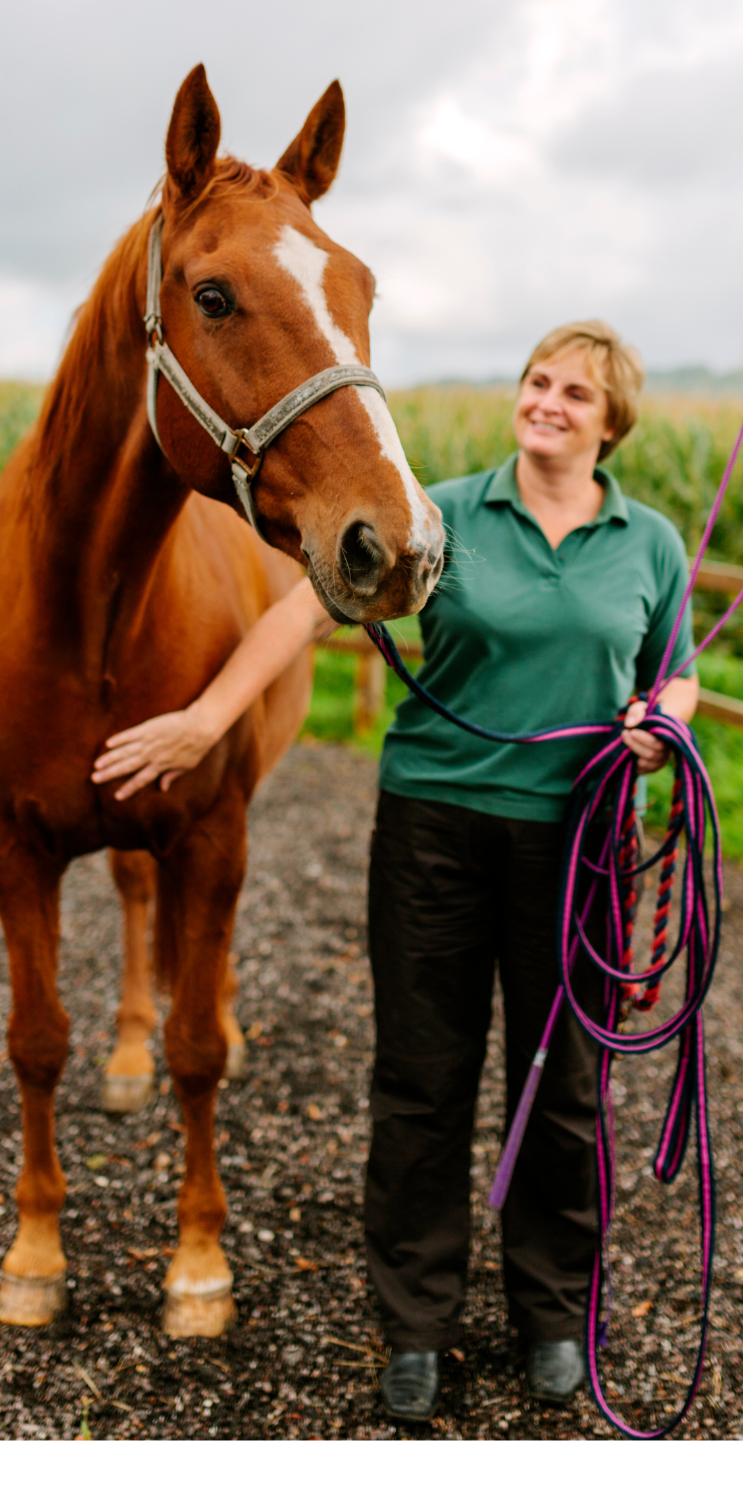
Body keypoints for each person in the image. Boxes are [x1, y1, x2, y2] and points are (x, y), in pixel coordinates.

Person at [92, 320, 699, 1424]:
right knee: (423, 1084)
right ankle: (416, 1323)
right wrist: (202, 720)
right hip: (435, 833)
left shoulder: (647, 542)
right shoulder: (448, 511)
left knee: (561, 1090)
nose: (547, 402)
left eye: (575, 393)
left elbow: (676, 674)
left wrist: (662, 723)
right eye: (537, 381)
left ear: (612, 425)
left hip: (580, 844)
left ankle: (554, 1316)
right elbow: (305, 611)